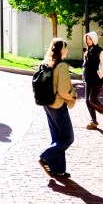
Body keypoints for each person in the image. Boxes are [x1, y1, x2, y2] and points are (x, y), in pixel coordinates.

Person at [37, 38, 77, 179]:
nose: (67, 51)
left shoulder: (46, 63)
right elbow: (64, 91)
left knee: (57, 138)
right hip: (58, 105)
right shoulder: (62, 66)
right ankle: (45, 156)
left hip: (47, 104)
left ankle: (58, 169)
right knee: (67, 139)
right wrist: (74, 96)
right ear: (61, 50)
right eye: (66, 48)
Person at [82, 31, 103, 130]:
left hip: (96, 79)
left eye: (90, 39)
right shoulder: (87, 50)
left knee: (93, 99)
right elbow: (85, 64)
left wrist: (99, 73)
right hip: (88, 79)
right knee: (87, 101)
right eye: (87, 39)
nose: (88, 41)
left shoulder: (100, 51)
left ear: (94, 39)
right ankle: (94, 121)